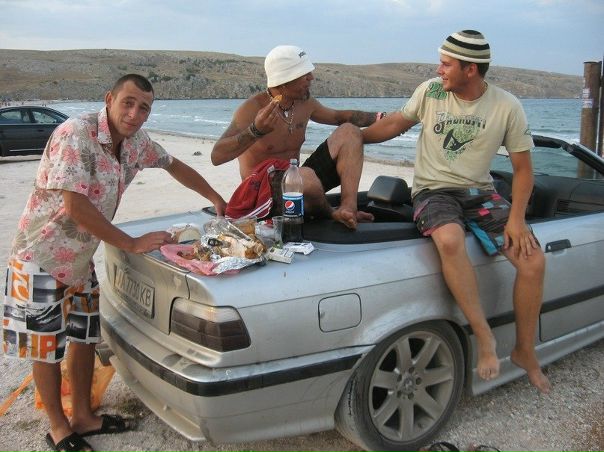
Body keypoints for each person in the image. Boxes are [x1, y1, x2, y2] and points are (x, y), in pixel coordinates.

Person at [1, 74, 227, 452]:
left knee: (84, 337)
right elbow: (75, 205)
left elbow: (174, 165)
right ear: (109, 99)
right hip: (40, 256)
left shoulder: (136, 143)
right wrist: (131, 243)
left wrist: (215, 197)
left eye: (144, 108)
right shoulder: (76, 134)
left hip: (80, 259)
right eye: (128, 103)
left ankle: (83, 417)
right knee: (45, 348)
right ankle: (58, 428)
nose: (135, 114)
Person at [362, 30, 551, 394]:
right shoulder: (431, 92)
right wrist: (355, 136)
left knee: (533, 261)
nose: (439, 70)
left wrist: (516, 220)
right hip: (433, 191)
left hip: (480, 193)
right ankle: (484, 336)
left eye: (446, 64)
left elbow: (524, 170)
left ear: (470, 69)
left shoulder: (506, 105)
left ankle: (525, 350)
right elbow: (395, 123)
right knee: (449, 239)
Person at [211, 45, 385, 229]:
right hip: (263, 193)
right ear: (284, 80)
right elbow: (217, 156)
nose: (311, 78)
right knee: (305, 177)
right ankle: (332, 213)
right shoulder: (252, 108)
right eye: (304, 74)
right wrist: (255, 130)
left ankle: (348, 209)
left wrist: (380, 117)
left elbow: (338, 117)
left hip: (299, 182)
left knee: (350, 131)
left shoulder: (305, 103)